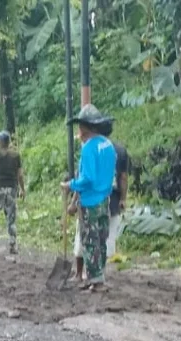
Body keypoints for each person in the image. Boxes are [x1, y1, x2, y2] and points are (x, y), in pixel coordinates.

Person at [63, 105, 116, 293]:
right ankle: (99, 276)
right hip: (105, 200)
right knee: (101, 239)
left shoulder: (88, 148)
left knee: (90, 241)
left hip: (91, 201)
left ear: (85, 127)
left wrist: (71, 185)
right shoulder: (108, 145)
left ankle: (96, 280)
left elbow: (88, 178)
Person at [101, 121, 131, 258]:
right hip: (113, 196)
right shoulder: (120, 150)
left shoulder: (93, 148)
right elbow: (123, 177)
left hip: (96, 196)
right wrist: (123, 198)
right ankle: (106, 264)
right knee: (111, 233)